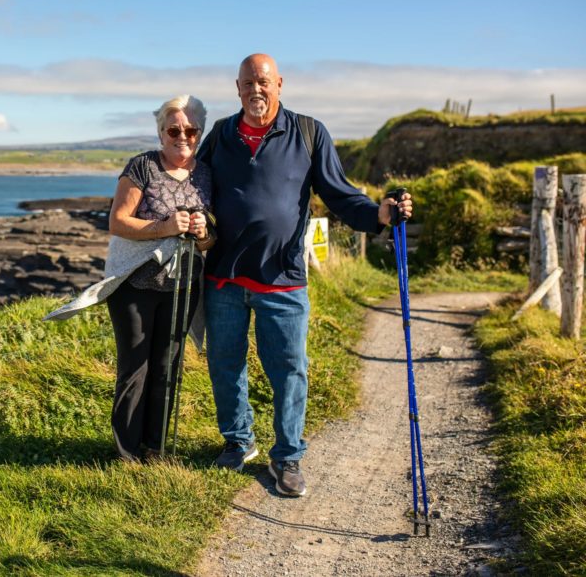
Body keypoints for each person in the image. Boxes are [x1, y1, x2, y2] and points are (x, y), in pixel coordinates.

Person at [196, 54, 412, 496]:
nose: (256, 90)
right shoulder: (220, 135)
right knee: (224, 364)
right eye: (247, 83)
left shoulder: (308, 133)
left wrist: (380, 215)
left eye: (264, 82)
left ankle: (288, 456)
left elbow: (339, 192)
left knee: (290, 369)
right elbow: (195, 187)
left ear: (280, 84)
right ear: (236, 88)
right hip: (224, 275)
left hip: (283, 277)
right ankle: (239, 442)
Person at [46, 94, 213, 461]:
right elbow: (117, 221)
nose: (181, 136)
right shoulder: (142, 167)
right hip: (134, 285)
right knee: (135, 368)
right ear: (160, 133)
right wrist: (164, 227)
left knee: (168, 367)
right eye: (173, 129)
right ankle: (126, 454)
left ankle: (156, 449)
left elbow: (209, 240)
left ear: (200, 132)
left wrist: (202, 232)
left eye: (190, 129)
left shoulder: (206, 173)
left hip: (180, 287)